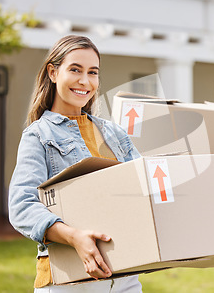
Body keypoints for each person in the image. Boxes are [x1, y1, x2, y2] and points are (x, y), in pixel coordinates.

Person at [8, 35, 143, 292]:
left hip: (125, 278)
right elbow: (21, 206)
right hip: (68, 279)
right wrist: (74, 237)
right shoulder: (39, 135)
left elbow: (143, 187)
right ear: (53, 72)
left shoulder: (114, 134)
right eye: (75, 70)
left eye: (93, 72)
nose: (85, 81)